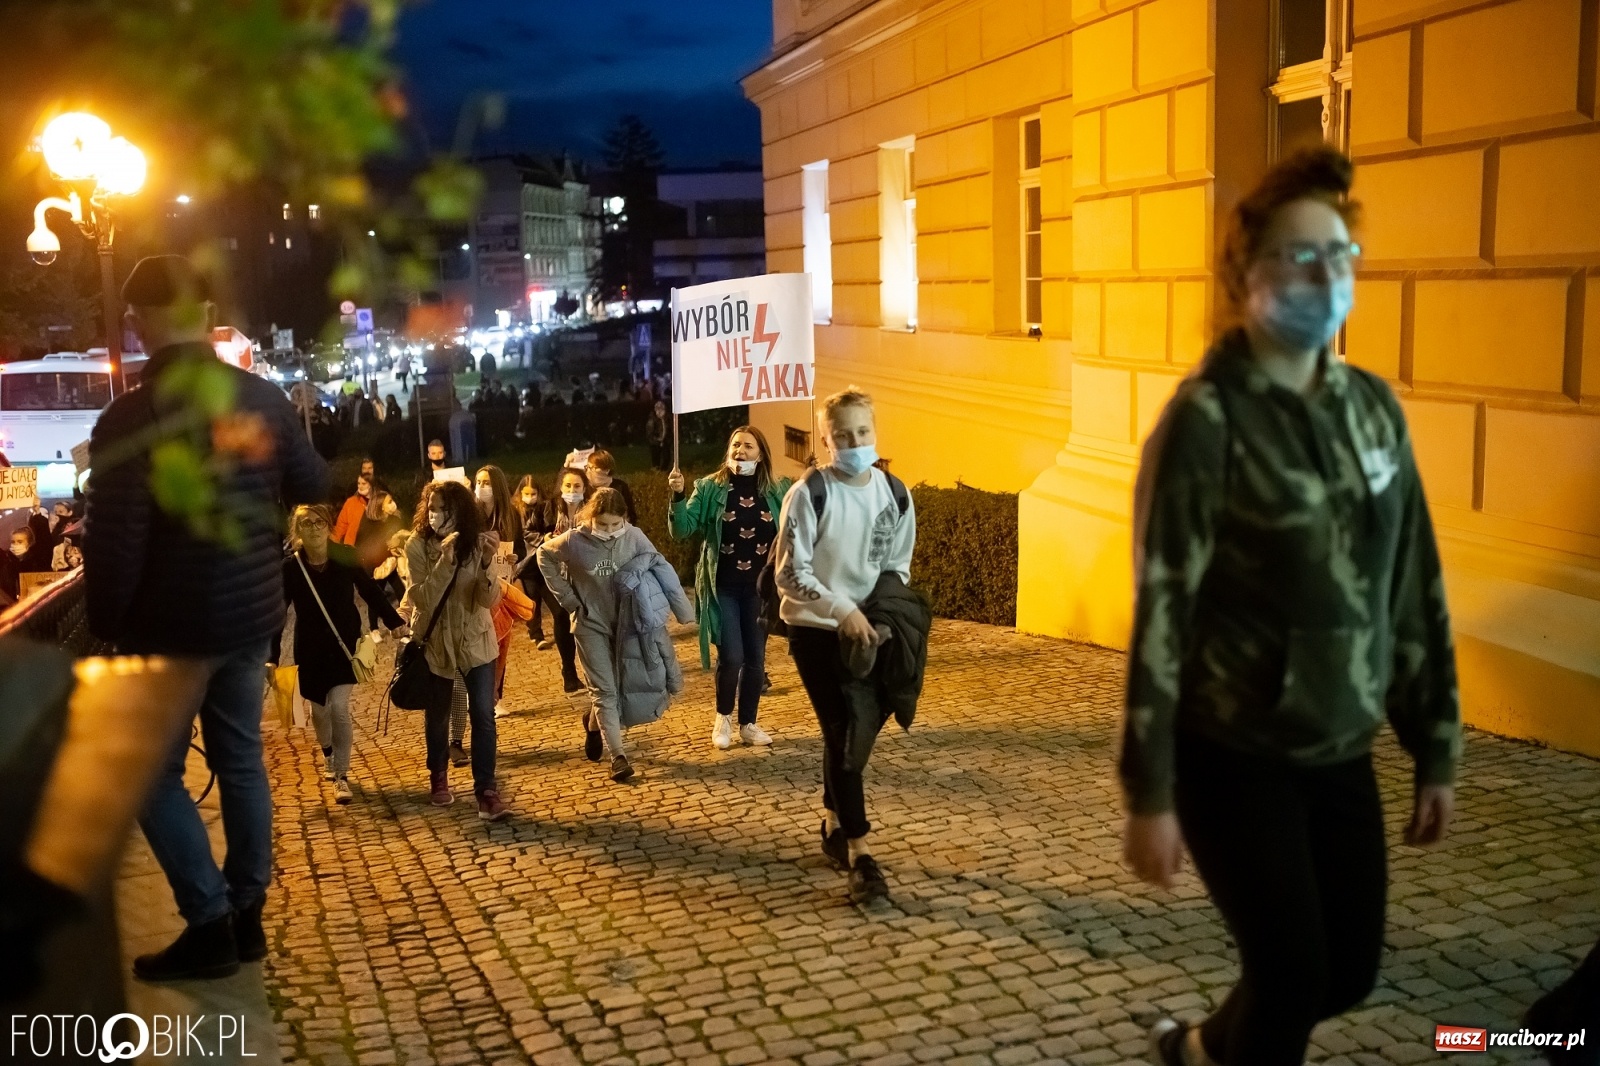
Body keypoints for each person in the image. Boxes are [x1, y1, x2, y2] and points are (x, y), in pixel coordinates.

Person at [1118, 147, 1460, 1066]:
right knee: (1294, 974)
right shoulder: (1206, 424)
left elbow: (1414, 583)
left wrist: (1436, 745)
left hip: (1341, 747)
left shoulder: (1374, 411)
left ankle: (1194, 1052)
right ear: (1246, 274)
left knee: (1346, 970)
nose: (1324, 274)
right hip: (1231, 755)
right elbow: (1162, 615)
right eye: (1298, 255)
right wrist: (1148, 792)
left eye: (1339, 254)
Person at [83, 254, 330, 981]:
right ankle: (246, 914)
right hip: (250, 612)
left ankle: (210, 920)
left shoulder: (132, 415)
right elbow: (314, 481)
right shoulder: (262, 397)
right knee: (240, 759)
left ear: (143, 321)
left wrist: (105, 620)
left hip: (170, 630)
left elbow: (116, 539)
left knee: (146, 774)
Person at [773, 387, 916, 905]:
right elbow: (789, 574)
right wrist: (842, 611)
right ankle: (860, 854)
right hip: (816, 630)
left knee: (865, 725)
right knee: (843, 732)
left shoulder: (896, 493)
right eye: (842, 436)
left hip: (869, 629)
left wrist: (879, 616)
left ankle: (833, 824)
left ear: (874, 433)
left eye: (863, 433)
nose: (854, 444)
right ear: (827, 441)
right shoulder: (809, 493)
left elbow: (897, 566)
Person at [538, 486, 693, 783]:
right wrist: (569, 600)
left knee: (621, 681)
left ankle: (594, 724)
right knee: (604, 690)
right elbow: (544, 556)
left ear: (624, 519)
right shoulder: (573, 539)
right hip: (590, 624)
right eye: (602, 525)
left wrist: (640, 573)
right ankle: (618, 757)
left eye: (614, 525)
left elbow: (654, 560)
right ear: (591, 518)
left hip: (628, 624)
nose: (608, 531)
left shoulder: (633, 536)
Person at [271, 504, 404, 806]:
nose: (314, 528)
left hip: (345, 646)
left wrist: (393, 620)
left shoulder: (344, 557)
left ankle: (341, 775)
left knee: (339, 707)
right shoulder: (290, 569)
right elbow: (278, 615)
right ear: (298, 531)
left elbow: (370, 590)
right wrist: (272, 656)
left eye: (319, 522)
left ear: (328, 526)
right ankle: (328, 753)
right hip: (310, 649)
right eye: (306, 523)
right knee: (319, 712)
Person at [669, 426, 793, 749]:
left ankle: (748, 724)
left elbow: (804, 516)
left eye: (748, 446)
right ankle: (722, 718)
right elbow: (681, 529)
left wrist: (812, 475)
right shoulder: (710, 488)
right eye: (735, 444)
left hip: (759, 591)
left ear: (761, 454)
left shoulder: (778, 490)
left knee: (756, 658)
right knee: (733, 656)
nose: (740, 450)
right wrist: (679, 496)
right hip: (722, 586)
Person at [403, 480, 510, 820]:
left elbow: (487, 600)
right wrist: (445, 561)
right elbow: (421, 597)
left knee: (483, 715)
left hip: (476, 638)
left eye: (444, 510)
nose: (437, 516)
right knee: (438, 717)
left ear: (460, 512)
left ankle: (487, 790)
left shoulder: (475, 543)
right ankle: (438, 776)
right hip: (436, 642)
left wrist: (486, 563)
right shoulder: (416, 545)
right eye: (432, 508)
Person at [473, 463, 523, 718]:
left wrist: (514, 559)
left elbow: (520, 548)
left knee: (501, 642)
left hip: (502, 586)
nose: (481, 488)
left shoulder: (511, 516)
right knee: (483, 642)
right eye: (478, 482)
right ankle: (480, 695)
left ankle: (495, 696)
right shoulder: (471, 514)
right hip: (478, 587)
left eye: (486, 483)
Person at [543, 468, 590, 694]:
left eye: (577, 486)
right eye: (568, 486)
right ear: (561, 488)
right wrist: (547, 538)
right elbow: (535, 532)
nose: (572, 491)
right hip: (556, 572)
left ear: (584, 488)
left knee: (584, 618)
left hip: (583, 572)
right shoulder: (551, 508)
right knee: (561, 616)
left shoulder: (590, 510)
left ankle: (591, 670)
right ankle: (568, 671)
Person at [512, 475, 552, 648]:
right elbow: (522, 533)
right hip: (527, 562)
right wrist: (543, 538)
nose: (530, 497)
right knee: (533, 598)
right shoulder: (515, 510)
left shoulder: (544, 508)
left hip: (543, 560)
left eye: (533, 493)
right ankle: (536, 634)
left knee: (549, 598)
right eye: (526, 493)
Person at [584, 449, 637, 523]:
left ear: (606, 470)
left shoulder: (621, 486)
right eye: (588, 467)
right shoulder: (585, 487)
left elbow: (631, 514)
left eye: (594, 468)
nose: (589, 471)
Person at [332, 473, 374, 546]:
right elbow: (341, 526)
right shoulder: (351, 502)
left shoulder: (379, 502)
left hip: (371, 549)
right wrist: (335, 544)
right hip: (351, 548)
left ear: (371, 485)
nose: (360, 486)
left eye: (363, 483)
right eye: (358, 483)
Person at [645, 400, 670, 471]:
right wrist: (656, 440)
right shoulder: (652, 420)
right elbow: (650, 433)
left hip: (665, 441)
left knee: (667, 457)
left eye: (661, 409)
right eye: (658, 409)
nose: (660, 411)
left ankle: (663, 471)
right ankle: (656, 471)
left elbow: (668, 429)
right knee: (656, 458)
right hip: (655, 443)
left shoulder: (666, 419)